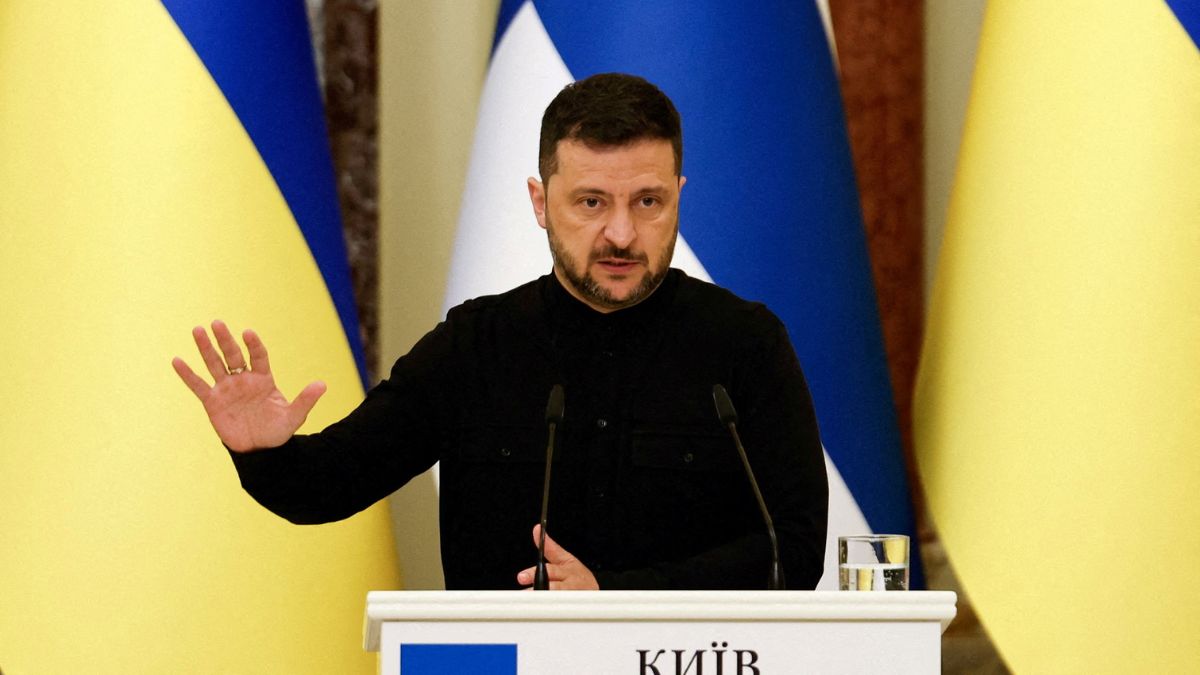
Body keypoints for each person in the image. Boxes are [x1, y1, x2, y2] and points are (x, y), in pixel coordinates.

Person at [173, 73, 828, 590]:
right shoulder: (475, 346)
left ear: (679, 195)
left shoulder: (745, 344)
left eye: (648, 202)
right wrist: (265, 454)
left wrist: (619, 595)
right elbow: (328, 485)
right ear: (541, 202)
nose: (623, 234)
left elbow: (795, 549)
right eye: (592, 202)